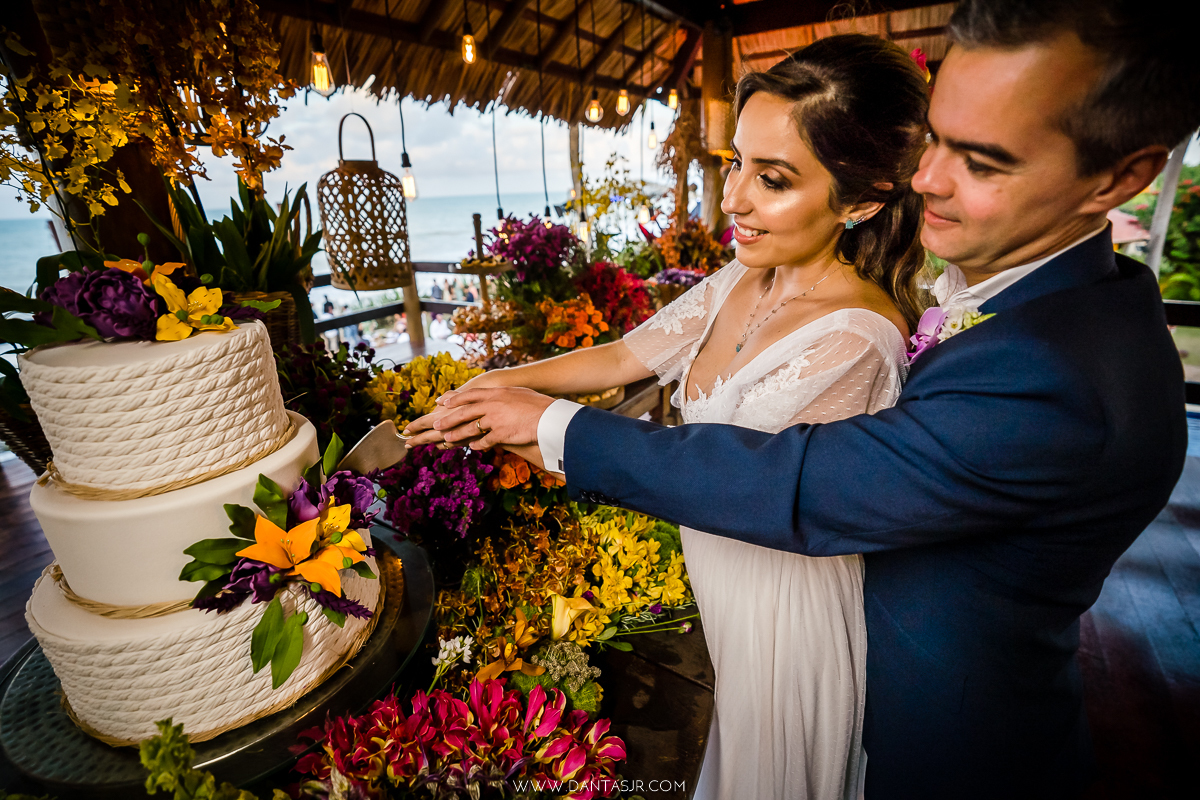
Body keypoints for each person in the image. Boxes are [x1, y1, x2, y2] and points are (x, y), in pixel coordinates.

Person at [407, 1, 1200, 797]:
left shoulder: (1059, 375)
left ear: (1121, 178)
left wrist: (551, 429)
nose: (923, 181)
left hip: (948, 743)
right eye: (936, 142)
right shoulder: (1034, 295)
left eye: (983, 161)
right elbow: (637, 355)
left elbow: (802, 483)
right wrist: (512, 385)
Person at [410, 33, 930, 799]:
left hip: (784, 622)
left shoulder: (856, 337)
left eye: (774, 179)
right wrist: (490, 383)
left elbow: (724, 482)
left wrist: (542, 426)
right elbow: (623, 357)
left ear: (860, 200)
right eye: (736, 163)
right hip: (724, 603)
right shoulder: (739, 276)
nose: (735, 199)